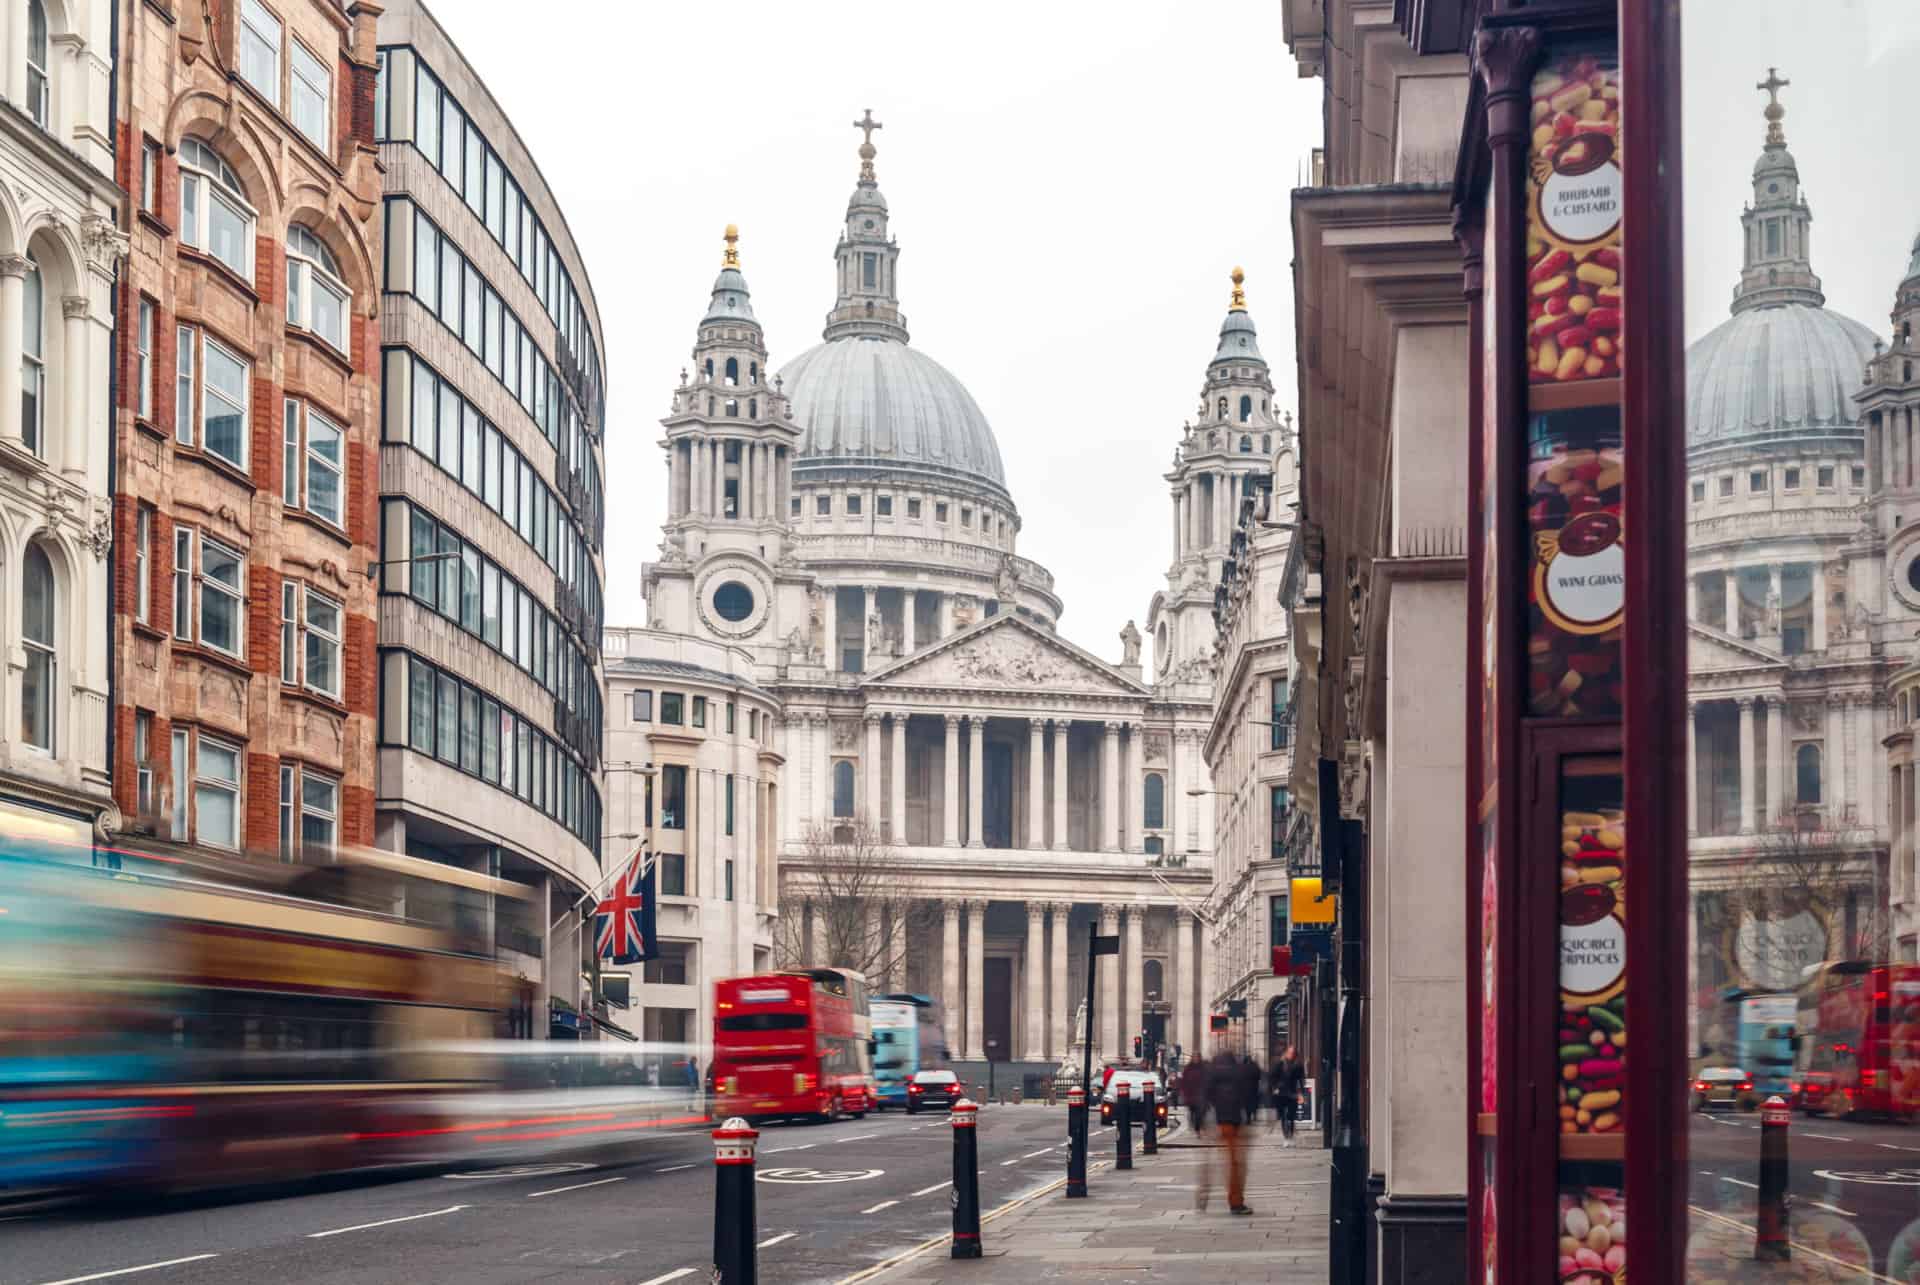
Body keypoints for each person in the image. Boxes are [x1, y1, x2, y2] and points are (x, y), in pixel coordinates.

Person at [1199, 1049, 1253, 1215]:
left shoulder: (1212, 1074)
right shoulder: (1238, 1073)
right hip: (1235, 1121)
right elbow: (1248, 1096)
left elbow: (1204, 1097)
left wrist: (1200, 1121)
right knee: (1236, 1164)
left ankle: (1204, 1193)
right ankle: (1236, 1202)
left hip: (1221, 1121)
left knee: (1227, 1163)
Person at [1270, 1047, 1305, 1146]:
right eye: (1289, 1053)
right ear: (1286, 1053)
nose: (1291, 1055)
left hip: (1293, 1094)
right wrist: (1275, 1088)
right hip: (1281, 1093)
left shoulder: (1298, 1065)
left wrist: (1302, 1093)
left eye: (1293, 1053)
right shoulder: (1280, 1064)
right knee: (1284, 1116)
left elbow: (1301, 1079)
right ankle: (1286, 1137)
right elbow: (1272, 1076)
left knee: (1291, 1116)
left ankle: (1291, 1136)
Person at [1179, 1055, 1209, 1136]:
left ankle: (1197, 1128)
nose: (1196, 1059)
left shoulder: (1203, 1069)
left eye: (1197, 1058)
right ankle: (1195, 1126)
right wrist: (1185, 1094)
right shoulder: (1188, 1069)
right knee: (1193, 1112)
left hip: (1200, 1095)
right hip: (1191, 1095)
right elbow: (1183, 1082)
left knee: (1200, 1113)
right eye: (1194, 1058)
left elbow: (1207, 1081)